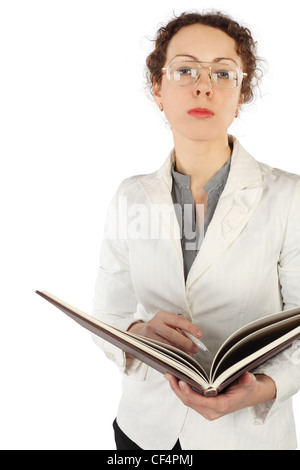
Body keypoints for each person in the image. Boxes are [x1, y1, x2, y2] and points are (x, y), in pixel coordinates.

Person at [92, 10, 300, 450]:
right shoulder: (131, 196)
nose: (203, 85)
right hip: (143, 432)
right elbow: (107, 314)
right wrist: (136, 336)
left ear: (240, 93)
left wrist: (261, 388)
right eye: (185, 70)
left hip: (248, 437)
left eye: (223, 73)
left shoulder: (289, 197)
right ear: (158, 89)